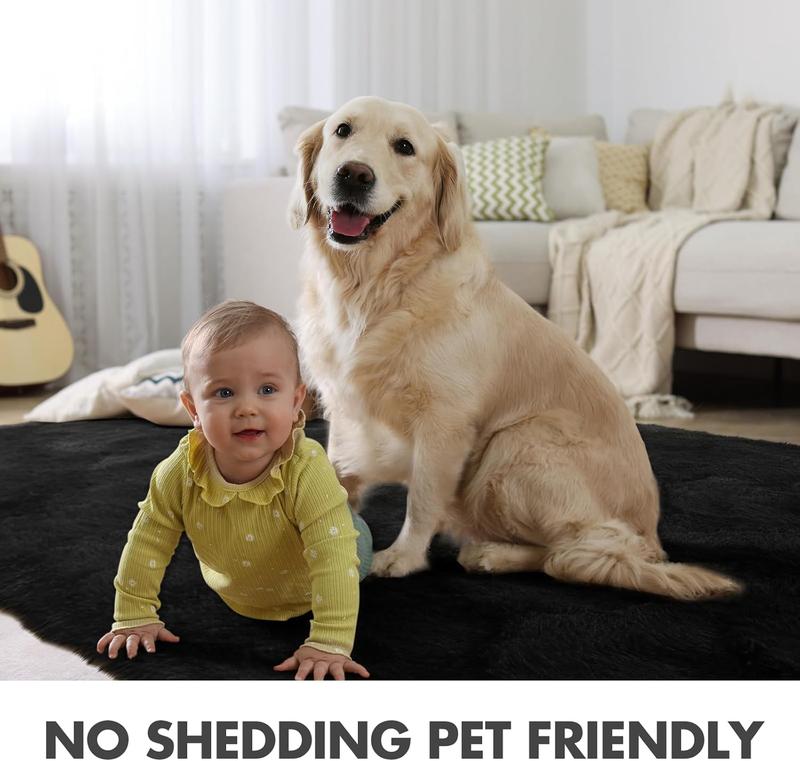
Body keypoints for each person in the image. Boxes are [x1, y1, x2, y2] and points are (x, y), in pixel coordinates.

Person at [96, 300, 371, 680]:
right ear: (193, 409)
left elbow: (334, 558)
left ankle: (342, 514)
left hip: (328, 563)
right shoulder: (178, 472)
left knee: (345, 534)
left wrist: (329, 641)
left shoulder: (307, 468)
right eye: (224, 393)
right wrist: (134, 614)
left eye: (267, 389)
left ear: (295, 402)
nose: (246, 408)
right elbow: (147, 541)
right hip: (240, 590)